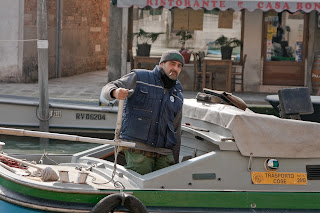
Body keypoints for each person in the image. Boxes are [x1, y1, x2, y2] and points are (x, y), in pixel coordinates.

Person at [101, 50, 184, 175]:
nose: (175, 68)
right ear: (162, 64)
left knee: (163, 191)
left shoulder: (178, 94)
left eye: (179, 66)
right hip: (138, 151)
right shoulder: (140, 78)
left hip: (165, 155)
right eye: (172, 64)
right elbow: (108, 87)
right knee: (139, 190)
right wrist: (115, 92)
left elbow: (176, 131)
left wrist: (176, 163)